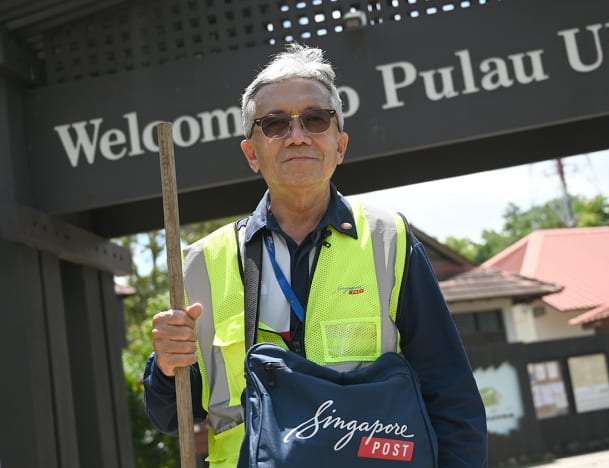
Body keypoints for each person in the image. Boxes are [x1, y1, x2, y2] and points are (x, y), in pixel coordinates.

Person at [143, 43, 488, 467]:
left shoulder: (388, 239)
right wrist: (164, 365)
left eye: (315, 119)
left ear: (339, 145)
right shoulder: (201, 263)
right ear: (252, 153)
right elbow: (171, 415)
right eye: (274, 125)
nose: (298, 135)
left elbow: (451, 393)